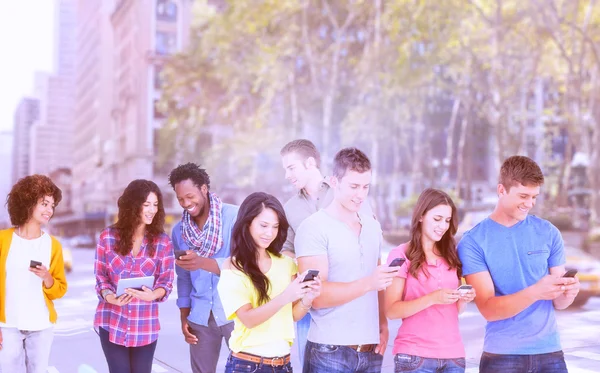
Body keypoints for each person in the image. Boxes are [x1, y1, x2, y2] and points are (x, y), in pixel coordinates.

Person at [458, 155, 580, 373]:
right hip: (502, 357)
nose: (529, 203)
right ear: (501, 190)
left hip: (550, 354)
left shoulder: (549, 233)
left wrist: (567, 294)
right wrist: (535, 291)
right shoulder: (473, 242)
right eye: (523, 195)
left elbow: (558, 303)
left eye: (534, 197)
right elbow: (488, 309)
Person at [295, 147, 399, 373]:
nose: (360, 195)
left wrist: (382, 324)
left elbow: (378, 280)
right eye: (353, 186)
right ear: (334, 181)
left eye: (365, 187)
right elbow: (317, 296)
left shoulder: (372, 226)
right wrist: (369, 283)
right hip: (328, 351)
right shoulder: (313, 228)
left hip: (371, 350)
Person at [217, 192, 321, 373]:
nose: (269, 233)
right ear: (247, 223)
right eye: (263, 225)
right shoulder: (233, 267)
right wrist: (286, 296)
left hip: (283, 365)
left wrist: (308, 298)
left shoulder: (286, 264)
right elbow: (248, 319)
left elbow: (292, 316)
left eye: (275, 226)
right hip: (247, 365)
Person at [385, 189, 476, 373]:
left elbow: (455, 311)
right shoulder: (401, 255)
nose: (443, 226)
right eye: (437, 219)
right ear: (421, 216)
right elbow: (391, 310)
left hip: (453, 358)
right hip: (414, 358)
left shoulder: (452, 256)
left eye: (447, 220)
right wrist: (432, 298)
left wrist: (463, 299)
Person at [94, 179, 175, 373]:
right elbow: (101, 277)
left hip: (145, 325)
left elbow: (167, 280)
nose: (152, 210)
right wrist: (110, 297)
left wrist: (153, 295)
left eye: (155, 205)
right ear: (133, 205)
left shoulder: (163, 242)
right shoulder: (108, 237)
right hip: (112, 321)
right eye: (146, 204)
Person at [168, 163, 238, 373]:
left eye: (190, 196)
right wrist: (184, 316)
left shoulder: (234, 217)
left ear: (204, 189)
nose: (186, 203)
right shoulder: (179, 231)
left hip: (236, 311)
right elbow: (183, 277)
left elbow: (246, 263)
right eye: (181, 199)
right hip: (200, 316)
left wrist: (203, 262)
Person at [0, 175, 68, 373]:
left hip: (41, 326)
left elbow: (59, 290)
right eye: (44, 203)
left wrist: (47, 278)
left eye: (52, 206)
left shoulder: (53, 245)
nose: (49, 210)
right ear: (28, 201)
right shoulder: (3, 240)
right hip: (7, 325)